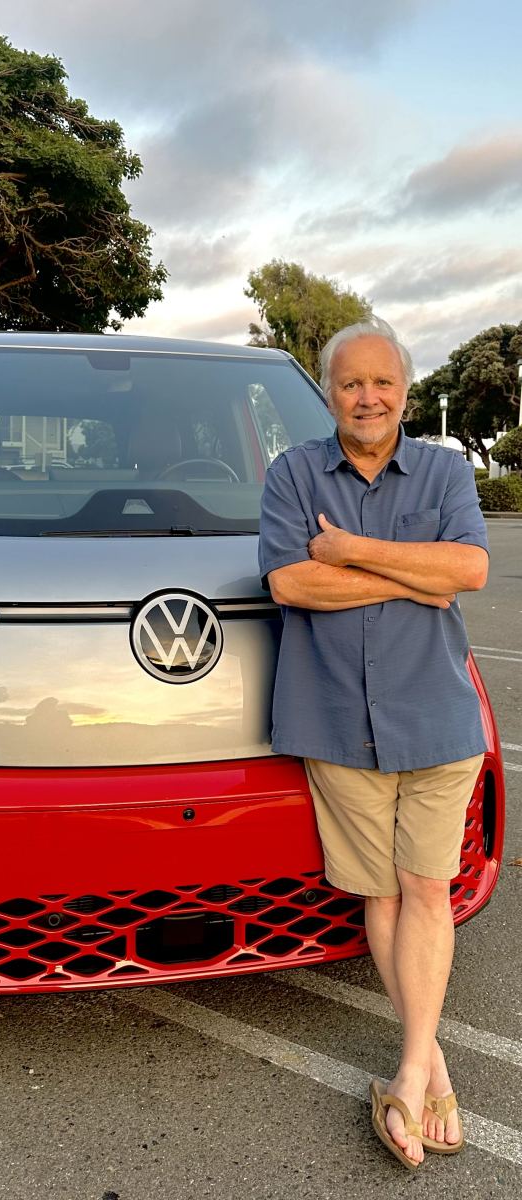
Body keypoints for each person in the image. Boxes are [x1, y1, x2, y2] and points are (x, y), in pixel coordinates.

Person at [257, 318, 489, 1170]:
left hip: (435, 719)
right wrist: (412, 575)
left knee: (425, 887)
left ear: (404, 391)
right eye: (350, 383)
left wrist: (350, 551)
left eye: (381, 382)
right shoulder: (291, 474)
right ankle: (430, 1067)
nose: (366, 398)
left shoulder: (443, 470)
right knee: (382, 896)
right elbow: (291, 582)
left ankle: (409, 1070)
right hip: (334, 721)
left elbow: (467, 572)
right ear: (327, 393)